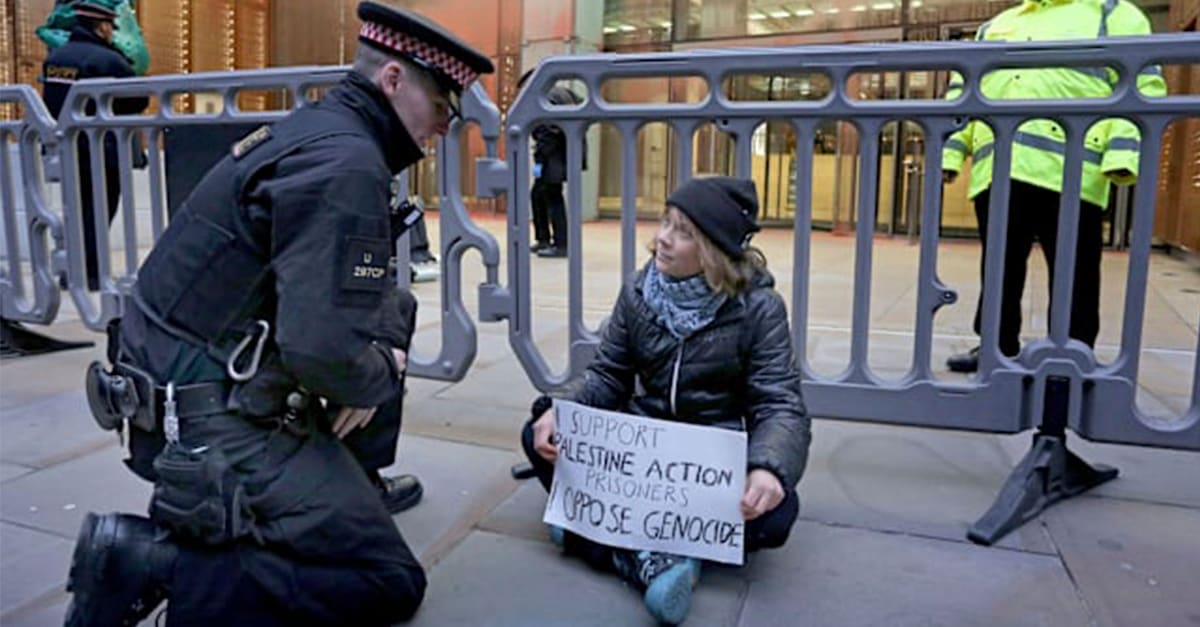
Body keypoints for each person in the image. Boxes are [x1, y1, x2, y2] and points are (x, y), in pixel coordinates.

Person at [65, 3, 493, 625]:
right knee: (386, 579)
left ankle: (340, 487)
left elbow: (340, 311)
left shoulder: (321, 128)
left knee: (389, 310)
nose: (442, 129)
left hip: (176, 381)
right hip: (205, 420)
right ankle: (153, 563)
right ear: (393, 80)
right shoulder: (347, 165)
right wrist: (377, 371)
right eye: (442, 108)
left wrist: (367, 360)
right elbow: (321, 351)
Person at [521, 177, 811, 625]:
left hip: (712, 456)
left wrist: (768, 468)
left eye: (683, 232)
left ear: (712, 250)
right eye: (665, 223)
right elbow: (607, 374)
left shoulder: (759, 309)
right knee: (538, 434)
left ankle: (600, 537)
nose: (662, 239)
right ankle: (652, 555)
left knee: (777, 516)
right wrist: (559, 409)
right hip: (644, 450)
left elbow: (780, 404)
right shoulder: (639, 291)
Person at [941, 0, 1167, 373]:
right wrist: (951, 153)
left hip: (1072, 170)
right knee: (999, 268)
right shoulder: (998, 23)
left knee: (1074, 272)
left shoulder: (1113, 13)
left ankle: (1071, 354)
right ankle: (996, 349)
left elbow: (1142, 86)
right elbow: (962, 93)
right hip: (998, 168)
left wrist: (1122, 154)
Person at [41, 0, 149, 292]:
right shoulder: (108, 60)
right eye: (110, 27)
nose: (112, 32)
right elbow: (139, 100)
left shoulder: (57, 58)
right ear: (101, 27)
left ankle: (71, 272)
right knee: (99, 212)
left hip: (66, 148)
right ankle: (92, 274)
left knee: (74, 210)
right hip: (103, 151)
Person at [518, 69, 582, 258]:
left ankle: (561, 244)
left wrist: (540, 155)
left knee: (552, 198)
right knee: (540, 194)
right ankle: (544, 239)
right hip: (563, 155)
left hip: (553, 158)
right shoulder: (563, 93)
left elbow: (547, 131)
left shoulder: (546, 97)